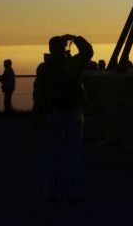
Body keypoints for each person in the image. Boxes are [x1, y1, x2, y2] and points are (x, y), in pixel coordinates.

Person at [38, 34, 93, 201]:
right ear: (63, 48)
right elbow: (88, 52)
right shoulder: (70, 64)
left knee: (52, 155)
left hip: (52, 113)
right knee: (73, 154)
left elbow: (40, 93)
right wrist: (76, 38)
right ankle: (73, 192)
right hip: (72, 111)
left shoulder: (43, 68)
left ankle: (51, 192)